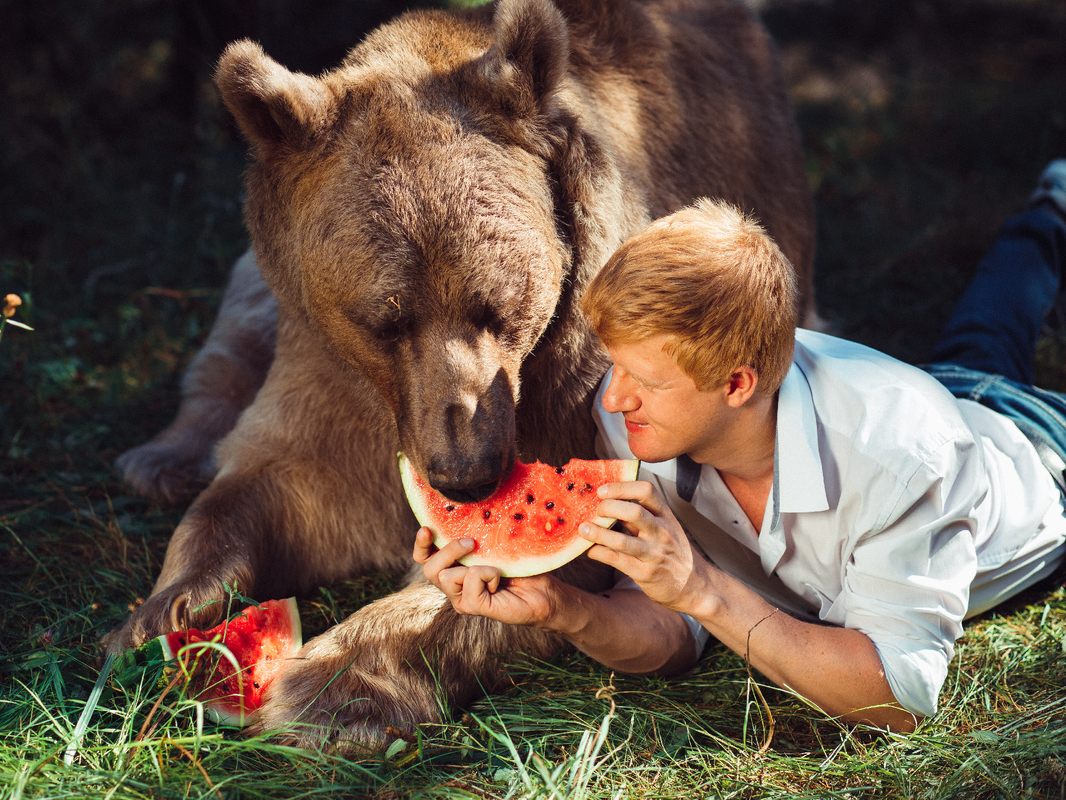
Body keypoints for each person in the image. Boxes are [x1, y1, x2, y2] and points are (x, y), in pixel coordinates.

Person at [414, 161, 1066, 732]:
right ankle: (1051, 211)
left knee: (990, 338)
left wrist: (703, 588)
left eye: (646, 381)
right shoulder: (640, 424)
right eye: (616, 368)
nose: (612, 401)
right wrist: (562, 609)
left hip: (1037, 449)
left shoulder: (901, 460)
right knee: (988, 326)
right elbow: (670, 628)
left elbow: (899, 699)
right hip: (931, 396)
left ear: (736, 383)